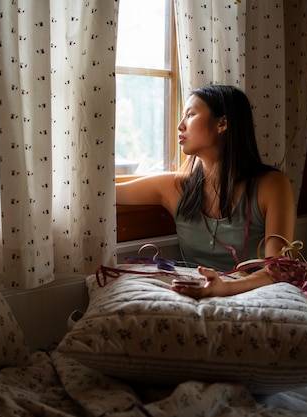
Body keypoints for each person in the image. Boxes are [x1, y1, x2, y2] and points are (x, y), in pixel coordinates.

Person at [116, 84, 295, 299]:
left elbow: (279, 269)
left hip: (257, 296)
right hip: (194, 298)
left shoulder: (272, 185)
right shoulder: (174, 187)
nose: (180, 126)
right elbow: (109, 194)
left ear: (222, 123)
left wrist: (225, 288)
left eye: (190, 115)